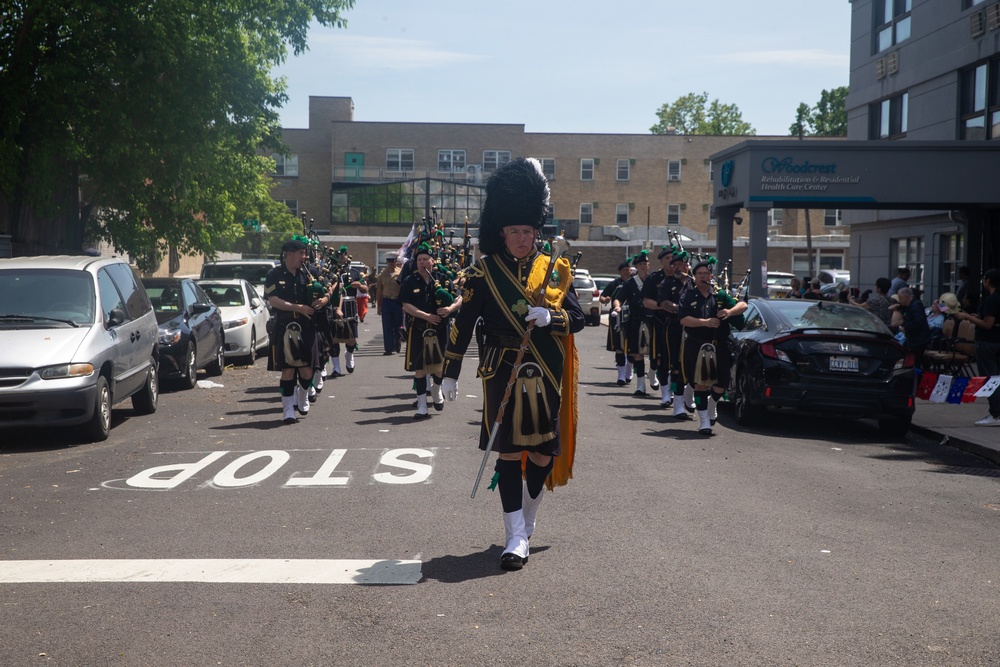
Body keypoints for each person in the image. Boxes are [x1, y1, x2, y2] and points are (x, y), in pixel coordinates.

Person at [441, 157, 585, 571]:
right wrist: (449, 373)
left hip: (545, 368)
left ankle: (529, 518)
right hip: (499, 369)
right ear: (501, 232)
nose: (521, 239)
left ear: (536, 231)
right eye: (514, 231)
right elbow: (463, 324)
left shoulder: (554, 270)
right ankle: (513, 535)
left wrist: (550, 317)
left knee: (540, 454)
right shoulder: (482, 272)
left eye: (527, 231)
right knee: (506, 454)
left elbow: (576, 318)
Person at [265, 238, 331, 424]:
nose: (304, 256)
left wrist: (324, 300)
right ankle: (288, 410)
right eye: (301, 253)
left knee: (307, 370)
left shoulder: (310, 273)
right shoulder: (274, 274)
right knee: (287, 370)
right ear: (289, 254)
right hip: (285, 326)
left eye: (305, 253)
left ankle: (302, 394)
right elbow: (273, 300)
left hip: (308, 327)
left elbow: (328, 291)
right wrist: (298, 307)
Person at [678, 260, 748, 435]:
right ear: (694, 277)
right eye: (699, 274)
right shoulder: (688, 296)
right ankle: (704, 422)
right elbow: (683, 320)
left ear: (711, 276)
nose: (702, 277)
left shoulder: (720, 295)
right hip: (696, 345)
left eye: (705, 274)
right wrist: (705, 322)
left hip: (720, 346)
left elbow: (743, 305)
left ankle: (712, 403)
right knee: (700, 384)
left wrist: (729, 312)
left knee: (722, 384)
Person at [399, 243, 462, 419]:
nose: (422, 262)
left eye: (426, 259)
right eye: (419, 260)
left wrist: (449, 309)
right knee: (419, 369)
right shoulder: (409, 281)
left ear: (432, 261)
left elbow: (459, 298)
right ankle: (421, 406)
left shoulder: (442, 278)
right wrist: (425, 316)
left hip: (440, 329)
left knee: (440, 367)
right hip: (419, 329)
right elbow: (405, 304)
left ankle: (436, 389)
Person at [953, 269, 1000, 426]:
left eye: (984, 280)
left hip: (988, 343)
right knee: (996, 377)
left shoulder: (992, 299)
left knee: (990, 378)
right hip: (996, 341)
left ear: (987, 281)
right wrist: (977, 317)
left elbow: (988, 324)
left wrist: (967, 317)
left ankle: (995, 413)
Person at [657, 249, 695, 418]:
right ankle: (677, 404)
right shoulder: (666, 283)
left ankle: (689, 397)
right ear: (672, 267)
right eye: (676, 264)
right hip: (673, 329)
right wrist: (683, 310)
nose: (680, 268)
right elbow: (665, 304)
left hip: (694, 329)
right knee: (676, 366)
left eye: (683, 264)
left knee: (693, 367)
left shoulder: (693, 282)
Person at [614, 251, 654, 397]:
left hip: (653, 320)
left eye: (645, 264)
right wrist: (617, 306)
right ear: (636, 266)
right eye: (641, 264)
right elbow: (619, 298)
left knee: (655, 353)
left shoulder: (653, 280)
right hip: (635, 321)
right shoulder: (630, 283)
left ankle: (653, 372)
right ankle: (641, 385)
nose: (643, 266)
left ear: (648, 265)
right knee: (637, 354)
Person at [642, 246, 674, 406]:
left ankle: (677, 393)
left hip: (679, 325)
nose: (670, 261)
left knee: (677, 361)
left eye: (672, 258)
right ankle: (665, 393)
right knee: (660, 359)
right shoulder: (654, 278)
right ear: (661, 261)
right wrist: (663, 306)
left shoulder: (682, 278)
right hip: (660, 323)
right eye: (667, 258)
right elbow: (646, 301)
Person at [602, 261, 632, 384]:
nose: (626, 272)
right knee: (619, 345)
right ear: (620, 272)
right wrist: (606, 299)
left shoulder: (634, 283)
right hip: (617, 316)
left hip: (632, 316)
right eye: (624, 270)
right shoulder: (614, 284)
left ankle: (629, 373)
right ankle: (621, 376)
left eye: (628, 270)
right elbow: (602, 297)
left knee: (631, 347)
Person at [891, 287, 931, 367]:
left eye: (900, 298)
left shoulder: (916, 305)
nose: (899, 300)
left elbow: (918, 321)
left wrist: (906, 328)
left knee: (915, 361)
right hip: (914, 338)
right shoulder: (911, 305)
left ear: (906, 297)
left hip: (919, 339)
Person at [375, 255, 404, 355]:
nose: (391, 263)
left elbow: (403, 289)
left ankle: (397, 342)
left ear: (396, 262)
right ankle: (388, 348)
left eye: (393, 261)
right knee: (387, 325)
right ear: (386, 262)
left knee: (397, 325)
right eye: (389, 261)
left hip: (397, 302)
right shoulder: (382, 275)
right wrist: (379, 306)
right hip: (386, 301)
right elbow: (379, 291)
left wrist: (404, 305)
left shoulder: (400, 273)